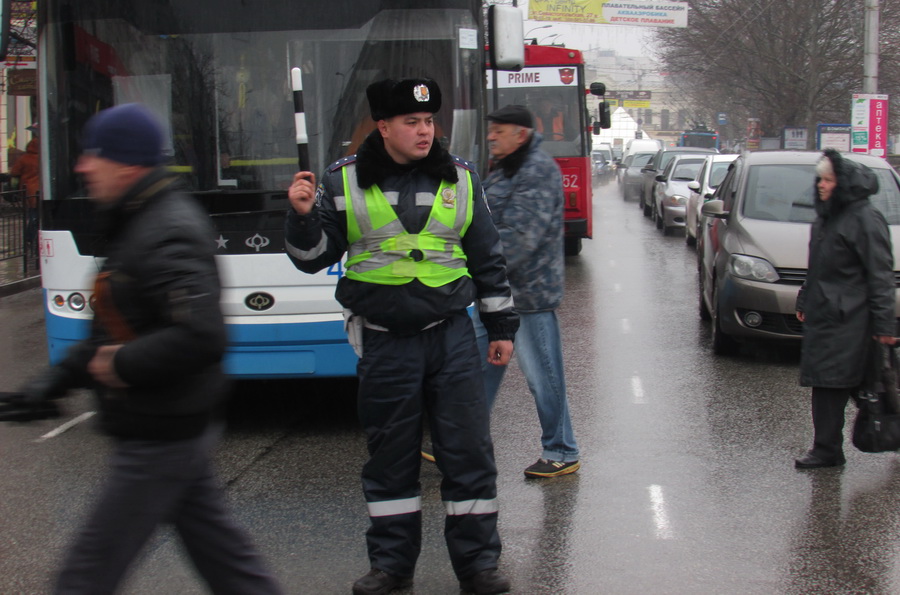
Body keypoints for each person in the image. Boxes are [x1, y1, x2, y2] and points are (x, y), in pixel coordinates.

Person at [2, 104, 283, 594]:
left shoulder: (167, 229)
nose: (82, 167)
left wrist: (121, 364)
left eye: (95, 156)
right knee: (230, 567)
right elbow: (110, 329)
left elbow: (201, 335)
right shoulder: (136, 219)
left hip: (160, 432)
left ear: (128, 163)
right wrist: (52, 381)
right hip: (169, 425)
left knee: (87, 572)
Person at [285, 78, 518, 595]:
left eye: (429, 121)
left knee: (468, 453)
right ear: (383, 126)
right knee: (390, 458)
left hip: (452, 336)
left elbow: (487, 257)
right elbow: (311, 259)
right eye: (412, 122)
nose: (424, 131)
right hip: (385, 340)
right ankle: (391, 568)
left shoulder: (461, 177)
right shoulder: (341, 180)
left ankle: (478, 567)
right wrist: (302, 219)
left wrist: (501, 326)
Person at [478, 104, 580, 478]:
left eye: (499, 130)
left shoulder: (536, 171)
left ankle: (562, 450)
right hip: (494, 295)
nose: (491, 136)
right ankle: (462, 444)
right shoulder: (505, 169)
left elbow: (520, 239)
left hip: (528, 299)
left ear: (520, 134)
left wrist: (477, 268)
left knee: (544, 376)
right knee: (477, 371)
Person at [794, 148, 897, 469]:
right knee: (835, 383)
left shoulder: (865, 219)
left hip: (851, 321)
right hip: (828, 318)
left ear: (845, 183)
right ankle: (827, 449)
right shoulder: (827, 218)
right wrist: (804, 298)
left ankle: (827, 450)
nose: (822, 185)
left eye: (829, 180)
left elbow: (880, 276)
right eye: (820, 180)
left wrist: (884, 327)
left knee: (843, 383)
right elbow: (818, 268)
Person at [10, 123, 41, 247]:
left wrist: (13, 190)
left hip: (28, 191)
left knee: (33, 214)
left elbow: (14, 174)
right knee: (36, 216)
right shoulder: (43, 157)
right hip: (40, 191)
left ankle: (30, 238)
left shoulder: (24, 158)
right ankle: (31, 237)